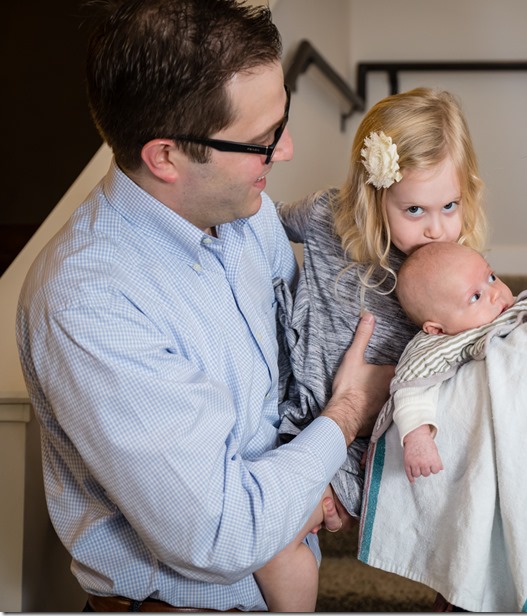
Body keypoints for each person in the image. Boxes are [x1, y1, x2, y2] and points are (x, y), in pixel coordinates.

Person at [15, 0, 393, 612]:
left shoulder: (247, 215)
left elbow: (288, 378)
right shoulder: (89, 302)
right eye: (262, 140)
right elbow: (223, 532)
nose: (288, 149)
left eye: (283, 119)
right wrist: (347, 411)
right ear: (165, 156)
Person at [274, 87, 488, 510]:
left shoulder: (455, 276)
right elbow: (265, 221)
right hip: (301, 423)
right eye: (414, 211)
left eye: (449, 205)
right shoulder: (323, 217)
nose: (437, 229)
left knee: (287, 533)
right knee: (278, 541)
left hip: (376, 446)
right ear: (374, 197)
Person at [385, 241, 527, 483]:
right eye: (475, 297)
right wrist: (417, 437)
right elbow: (410, 391)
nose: (495, 293)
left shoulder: (521, 309)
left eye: (491, 277)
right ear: (437, 329)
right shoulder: (435, 349)